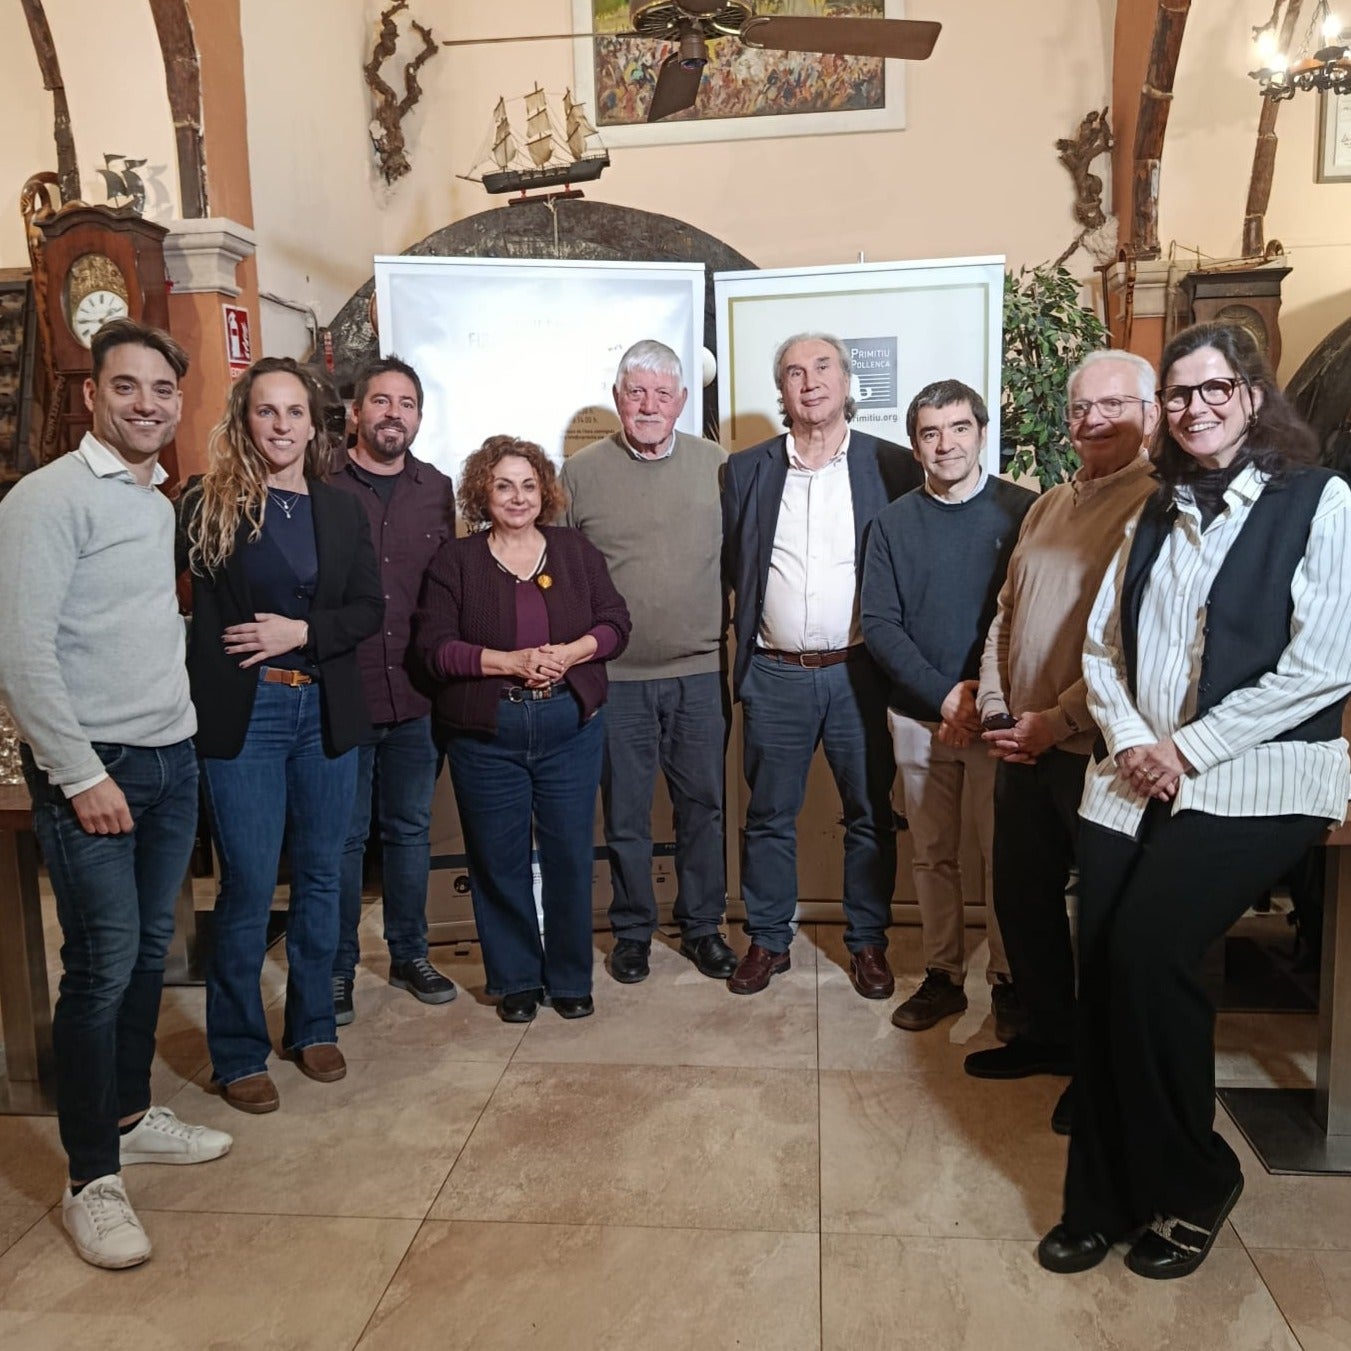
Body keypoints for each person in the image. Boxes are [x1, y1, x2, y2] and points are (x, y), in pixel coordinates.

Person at [1038, 323, 1351, 1280]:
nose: (1193, 408)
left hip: (1259, 780)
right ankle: (1099, 1193)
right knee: (1102, 963)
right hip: (1137, 777)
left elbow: (1322, 663)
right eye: (1176, 395)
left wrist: (1189, 746)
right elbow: (1100, 647)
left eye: (1212, 389)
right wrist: (1134, 741)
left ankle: (1193, 1179)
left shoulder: (1316, 499)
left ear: (1251, 395)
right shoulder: (1155, 510)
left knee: (1150, 950)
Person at [0, 319, 231, 1269]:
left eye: (163, 391)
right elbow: (21, 652)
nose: (147, 404)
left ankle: (130, 1114)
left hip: (169, 759)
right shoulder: (47, 499)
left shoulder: (154, 497)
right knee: (98, 968)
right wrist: (82, 773)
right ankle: (92, 1175)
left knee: (144, 956)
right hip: (98, 767)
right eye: (127, 387)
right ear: (92, 394)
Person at [179, 356, 383, 1113]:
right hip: (249, 712)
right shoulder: (209, 503)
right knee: (249, 884)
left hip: (323, 708)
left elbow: (368, 609)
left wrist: (302, 628)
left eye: (294, 412)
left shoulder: (338, 510)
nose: (281, 425)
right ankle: (237, 1052)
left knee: (325, 877)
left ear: (313, 423)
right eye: (266, 411)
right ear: (245, 419)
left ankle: (313, 1023)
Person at [964, 350, 1159, 1118]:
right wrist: (994, 707)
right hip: (1023, 745)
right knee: (1025, 901)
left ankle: (1102, 1066)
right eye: (1081, 407)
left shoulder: (1156, 507)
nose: (1091, 420)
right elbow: (1005, 616)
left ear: (1148, 411)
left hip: (1095, 754)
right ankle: (1047, 1033)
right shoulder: (1047, 505)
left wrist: (1059, 720)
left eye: (1112, 405)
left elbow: (1136, 644)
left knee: (1106, 918)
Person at [722, 333, 922, 997]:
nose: (808, 382)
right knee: (768, 815)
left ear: (845, 381)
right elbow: (734, 568)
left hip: (859, 671)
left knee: (868, 813)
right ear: (780, 390)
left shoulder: (891, 465)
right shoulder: (745, 470)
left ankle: (866, 942)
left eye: (822, 367)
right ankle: (767, 938)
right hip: (775, 670)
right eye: (792, 372)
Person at [416, 436, 630, 1023]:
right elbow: (435, 651)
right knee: (497, 860)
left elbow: (616, 623)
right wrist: (509, 662)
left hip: (569, 724)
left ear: (545, 491)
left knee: (568, 857)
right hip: (488, 734)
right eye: (504, 484)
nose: (517, 496)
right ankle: (514, 980)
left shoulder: (574, 551)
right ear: (483, 490)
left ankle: (568, 979)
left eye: (529, 484)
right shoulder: (455, 562)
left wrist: (572, 652)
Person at [861, 380, 1035, 1035]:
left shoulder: (1026, 512)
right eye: (931, 432)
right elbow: (879, 623)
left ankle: (1008, 980)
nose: (946, 443)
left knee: (1001, 855)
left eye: (958, 427)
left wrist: (980, 697)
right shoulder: (892, 522)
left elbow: (1032, 616)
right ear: (915, 444)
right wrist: (944, 694)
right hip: (919, 715)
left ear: (981, 432)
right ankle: (942, 975)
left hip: (999, 719)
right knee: (932, 853)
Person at [561, 339, 736, 985]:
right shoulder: (579, 474)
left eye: (662, 393)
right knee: (626, 814)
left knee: (703, 808)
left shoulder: (717, 466)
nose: (649, 404)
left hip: (697, 673)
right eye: (636, 391)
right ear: (617, 398)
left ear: (682, 401)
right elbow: (558, 573)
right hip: (617, 678)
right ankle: (632, 929)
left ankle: (703, 926)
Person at [328, 355, 456, 1025]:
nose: (392, 414)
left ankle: (410, 952)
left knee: (408, 831)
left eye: (406, 403)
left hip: (415, 694)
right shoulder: (322, 486)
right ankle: (338, 968)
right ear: (356, 411)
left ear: (418, 416)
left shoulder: (436, 488)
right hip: (343, 694)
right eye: (381, 401)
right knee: (344, 839)